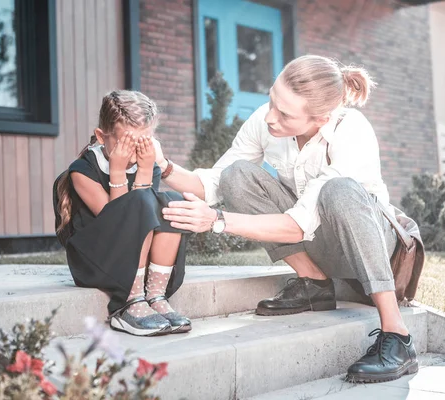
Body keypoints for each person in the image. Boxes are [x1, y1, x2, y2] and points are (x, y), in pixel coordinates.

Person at [156, 55, 420, 382]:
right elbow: (213, 182)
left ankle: (397, 336)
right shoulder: (267, 120)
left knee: (338, 190)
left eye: (284, 114)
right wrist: (162, 165)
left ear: (321, 118)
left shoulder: (352, 131)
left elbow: (297, 225)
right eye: (271, 100)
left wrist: (216, 220)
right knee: (237, 175)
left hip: (373, 249)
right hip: (320, 244)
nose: (270, 117)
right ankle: (314, 284)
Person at [53, 90, 191, 337]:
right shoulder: (83, 170)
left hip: (130, 255)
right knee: (140, 201)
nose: (134, 152)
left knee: (172, 202)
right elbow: (118, 219)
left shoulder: (146, 162)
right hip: (95, 259)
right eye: (126, 142)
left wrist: (147, 170)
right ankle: (128, 302)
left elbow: (146, 214)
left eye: (142, 142)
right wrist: (117, 171)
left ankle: (154, 295)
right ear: (101, 137)